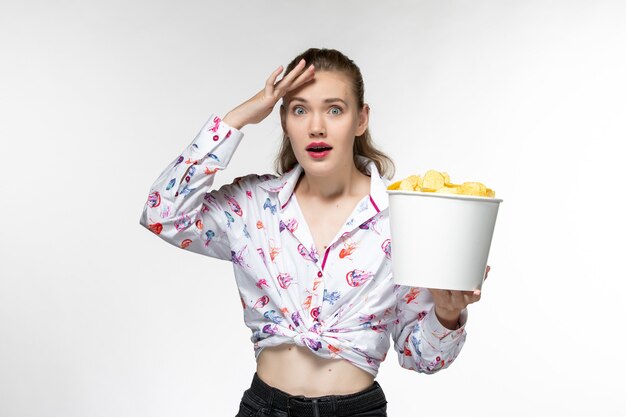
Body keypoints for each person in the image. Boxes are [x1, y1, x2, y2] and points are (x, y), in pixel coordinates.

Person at [140, 48, 484, 417]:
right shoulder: (253, 204)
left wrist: (447, 315)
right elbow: (164, 214)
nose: (316, 126)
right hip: (264, 408)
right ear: (284, 120)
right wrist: (237, 119)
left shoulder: (403, 217)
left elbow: (420, 358)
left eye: (334, 109)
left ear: (361, 119)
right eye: (299, 110)